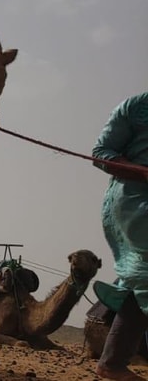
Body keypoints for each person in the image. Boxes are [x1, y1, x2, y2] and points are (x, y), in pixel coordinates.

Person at [92, 92, 148, 380]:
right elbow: (101, 152)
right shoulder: (135, 108)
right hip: (135, 200)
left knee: (140, 277)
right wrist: (141, 171)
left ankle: (112, 363)